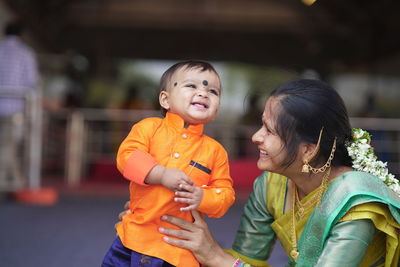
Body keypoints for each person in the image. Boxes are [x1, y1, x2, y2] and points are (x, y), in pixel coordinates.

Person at [152, 79, 400, 266]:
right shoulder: (272, 185)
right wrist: (158, 226)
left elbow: (227, 263)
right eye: (262, 125)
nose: (256, 137)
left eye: (269, 131)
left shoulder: (355, 202)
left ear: (309, 150)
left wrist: (217, 257)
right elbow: (245, 259)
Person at [102, 60, 235, 267]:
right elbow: (126, 156)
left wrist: (203, 197)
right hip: (131, 238)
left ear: (216, 110)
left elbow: (225, 194)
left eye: (213, 91)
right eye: (192, 86)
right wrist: (160, 174)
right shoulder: (148, 128)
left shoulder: (216, 151)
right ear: (165, 99)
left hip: (177, 252)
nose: (203, 93)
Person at [0, 21, 39, 189]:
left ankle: (14, 180)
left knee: (6, 146)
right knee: (9, 145)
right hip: (14, 108)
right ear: (22, 35)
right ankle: (6, 181)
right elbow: (32, 82)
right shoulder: (26, 54)